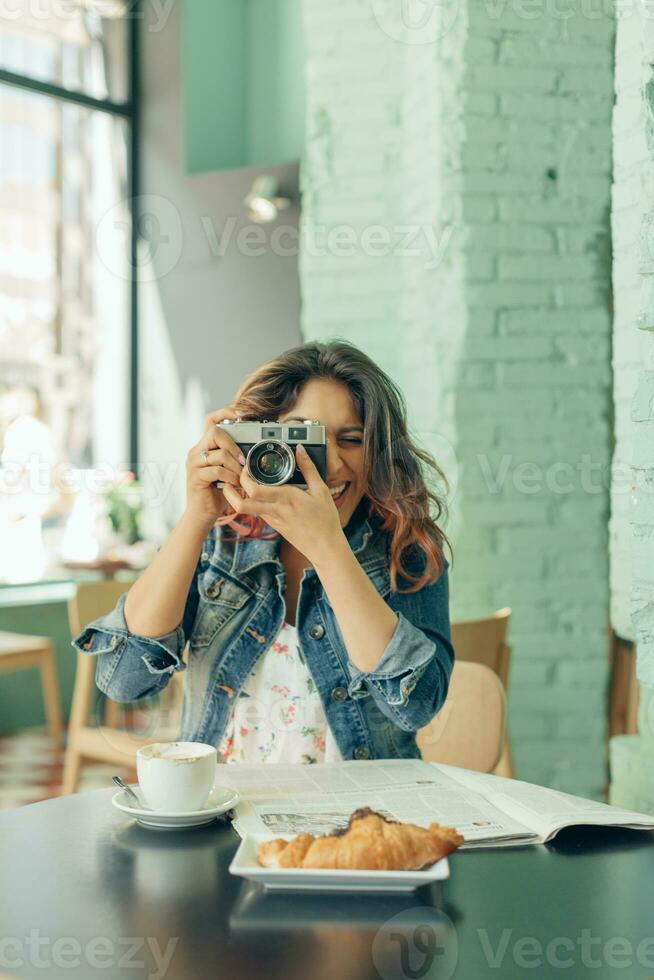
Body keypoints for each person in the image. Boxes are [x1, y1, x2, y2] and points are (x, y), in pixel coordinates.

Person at [73, 341, 454, 763]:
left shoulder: (406, 547)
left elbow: (416, 707)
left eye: (351, 439)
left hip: (362, 818)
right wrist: (198, 515)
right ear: (261, 443)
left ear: (379, 453)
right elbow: (124, 682)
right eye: (303, 438)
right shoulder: (222, 540)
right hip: (225, 812)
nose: (327, 465)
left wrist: (326, 546)